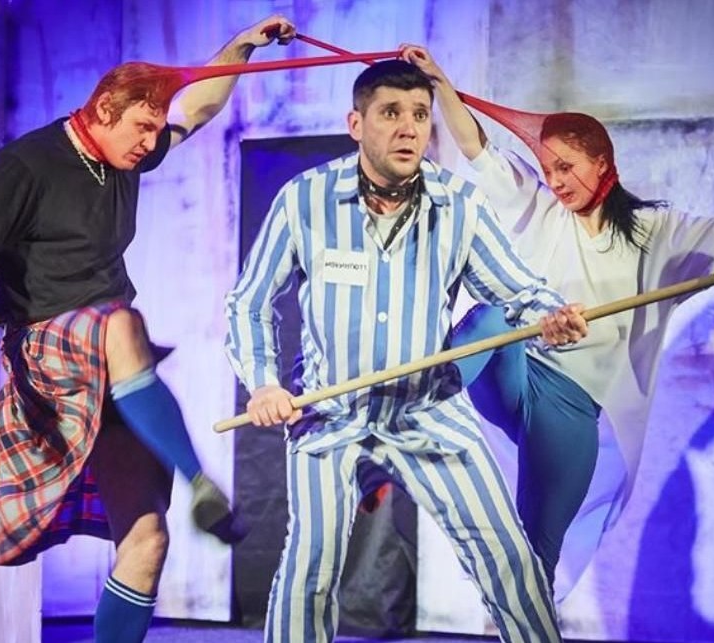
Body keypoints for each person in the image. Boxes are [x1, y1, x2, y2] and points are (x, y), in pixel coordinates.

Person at [402, 44, 714, 596]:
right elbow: (476, 146)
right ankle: (414, 404)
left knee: (533, 561)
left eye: (566, 167)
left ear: (602, 162)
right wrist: (438, 81)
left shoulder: (654, 231)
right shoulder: (539, 206)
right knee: (489, 320)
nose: (556, 181)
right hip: (521, 377)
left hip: (574, 409)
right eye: (548, 169)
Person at [0, 16, 296, 643]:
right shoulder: (24, 165)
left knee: (147, 538)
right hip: (44, 353)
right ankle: (199, 479)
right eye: (141, 127)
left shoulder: (123, 155)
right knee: (119, 321)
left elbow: (198, 110)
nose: (150, 142)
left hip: (112, 368)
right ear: (102, 110)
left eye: (155, 128)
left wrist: (242, 46)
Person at [224, 59, 589, 642]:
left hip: (428, 409)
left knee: (508, 558)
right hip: (330, 412)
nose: (408, 128)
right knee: (309, 567)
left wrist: (551, 316)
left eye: (419, 114)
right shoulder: (305, 200)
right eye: (391, 113)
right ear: (356, 123)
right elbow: (249, 303)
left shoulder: (458, 204)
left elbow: (519, 289)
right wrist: (263, 381)